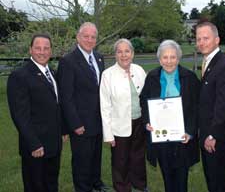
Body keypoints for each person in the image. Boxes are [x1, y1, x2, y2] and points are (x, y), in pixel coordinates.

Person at [7, 33, 66, 192]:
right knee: (35, 186)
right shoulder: (19, 76)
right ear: (30, 50)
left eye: (46, 48)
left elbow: (56, 105)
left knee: (51, 183)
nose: (42, 52)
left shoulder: (52, 73)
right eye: (38, 48)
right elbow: (19, 115)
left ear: (51, 51)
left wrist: (63, 131)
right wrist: (34, 143)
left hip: (53, 144)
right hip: (36, 146)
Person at [140, 40, 200, 192]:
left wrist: (190, 132)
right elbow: (144, 102)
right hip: (161, 139)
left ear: (178, 58)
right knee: (167, 178)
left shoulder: (190, 78)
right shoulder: (152, 77)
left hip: (182, 138)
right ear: (160, 59)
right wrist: (147, 122)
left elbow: (197, 108)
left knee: (181, 180)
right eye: (165, 57)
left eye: (172, 57)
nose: (169, 61)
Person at [57, 22, 107, 192]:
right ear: (78, 37)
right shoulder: (68, 61)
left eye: (93, 37)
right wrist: (74, 123)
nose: (90, 40)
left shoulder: (99, 58)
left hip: (98, 119)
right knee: (81, 159)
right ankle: (83, 188)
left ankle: (96, 183)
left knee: (95, 155)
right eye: (86, 36)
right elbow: (66, 96)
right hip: (81, 122)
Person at [100, 38, 147, 192]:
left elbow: (147, 97)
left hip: (139, 122)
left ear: (132, 53)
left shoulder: (139, 70)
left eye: (127, 51)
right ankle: (122, 187)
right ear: (115, 55)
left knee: (138, 157)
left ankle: (139, 184)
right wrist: (108, 135)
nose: (124, 55)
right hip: (119, 126)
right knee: (121, 161)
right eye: (119, 52)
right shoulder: (108, 75)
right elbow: (105, 106)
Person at [196, 22, 225, 192]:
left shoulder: (224, 65)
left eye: (206, 38)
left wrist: (212, 135)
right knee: (212, 178)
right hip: (208, 133)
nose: (201, 42)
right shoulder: (208, 61)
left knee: (218, 180)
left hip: (217, 137)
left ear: (217, 40)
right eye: (198, 39)